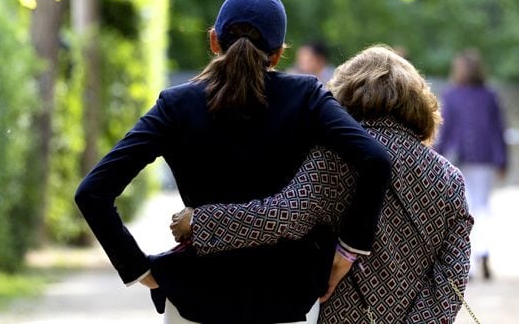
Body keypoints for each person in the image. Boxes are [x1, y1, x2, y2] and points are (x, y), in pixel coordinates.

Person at [75, 0, 392, 324]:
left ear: (214, 41)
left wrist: (139, 269)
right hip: (286, 297)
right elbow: (376, 159)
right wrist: (348, 250)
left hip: (196, 297)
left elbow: (92, 192)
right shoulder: (306, 98)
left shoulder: (176, 105)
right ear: (277, 54)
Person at [171, 46, 473, 323]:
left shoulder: (336, 156)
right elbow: (452, 274)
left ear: (346, 93)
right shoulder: (449, 179)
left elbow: (283, 215)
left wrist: (201, 222)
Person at [435, 49, 506, 281]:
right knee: (482, 207)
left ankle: (469, 265)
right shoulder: (489, 96)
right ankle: (483, 252)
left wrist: (436, 156)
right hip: (484, 158)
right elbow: (497, 130)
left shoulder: (452, 95)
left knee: (464, 210)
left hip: (458, 159)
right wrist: (502, 159)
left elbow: (445, 131)